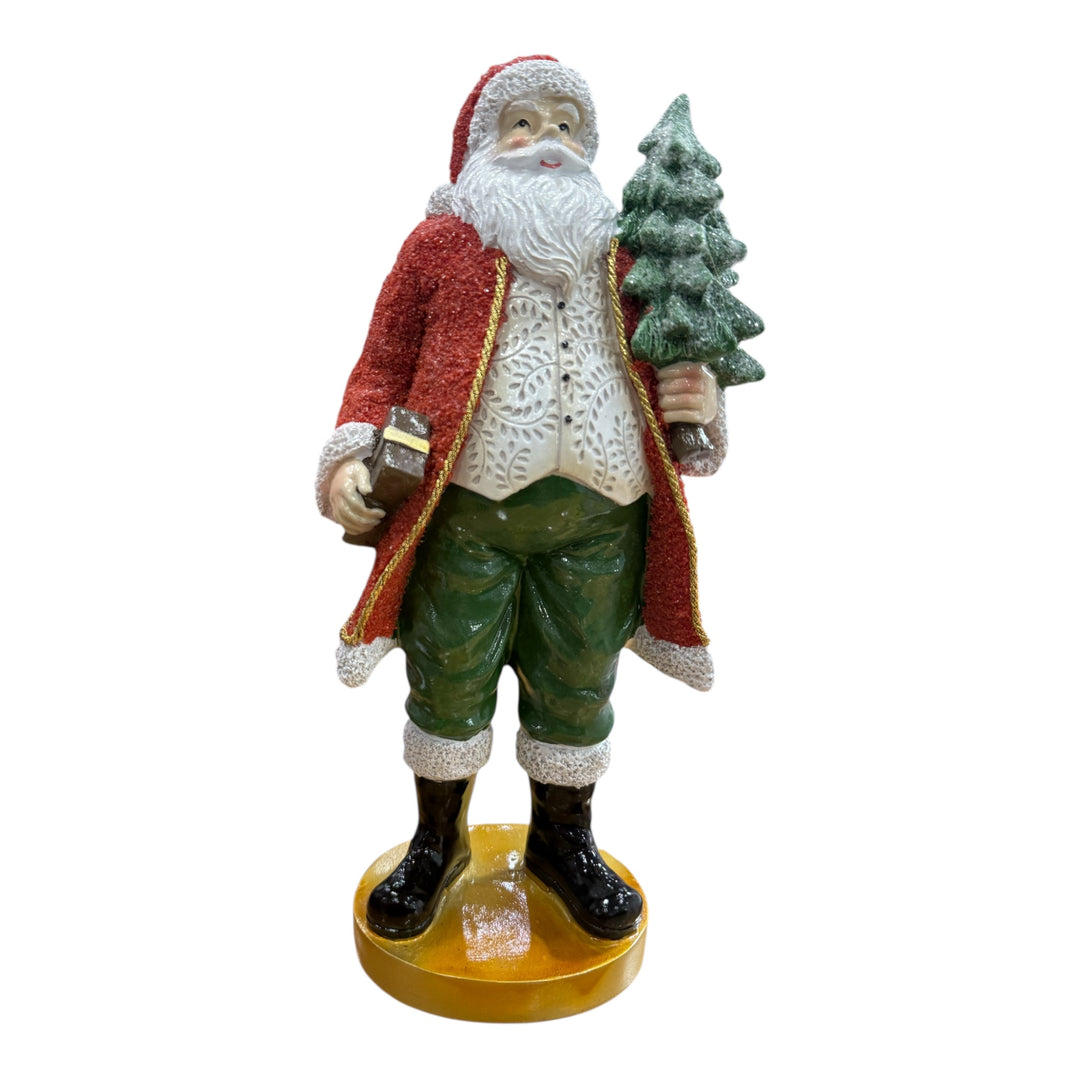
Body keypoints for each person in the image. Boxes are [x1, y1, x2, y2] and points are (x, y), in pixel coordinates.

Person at [316, 56, 724, 941]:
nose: (550, 143)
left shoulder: (629, 253)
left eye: (568, 126)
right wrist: (348, 459)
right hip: (467, 519)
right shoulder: (440, 247)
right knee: (447, 676)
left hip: (601, 519)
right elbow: (382, 362)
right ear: (479, 144)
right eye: (525, 123)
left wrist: (701, 403)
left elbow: (674, 352)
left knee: (580, 683)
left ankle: (562, 841)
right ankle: (437, 841)